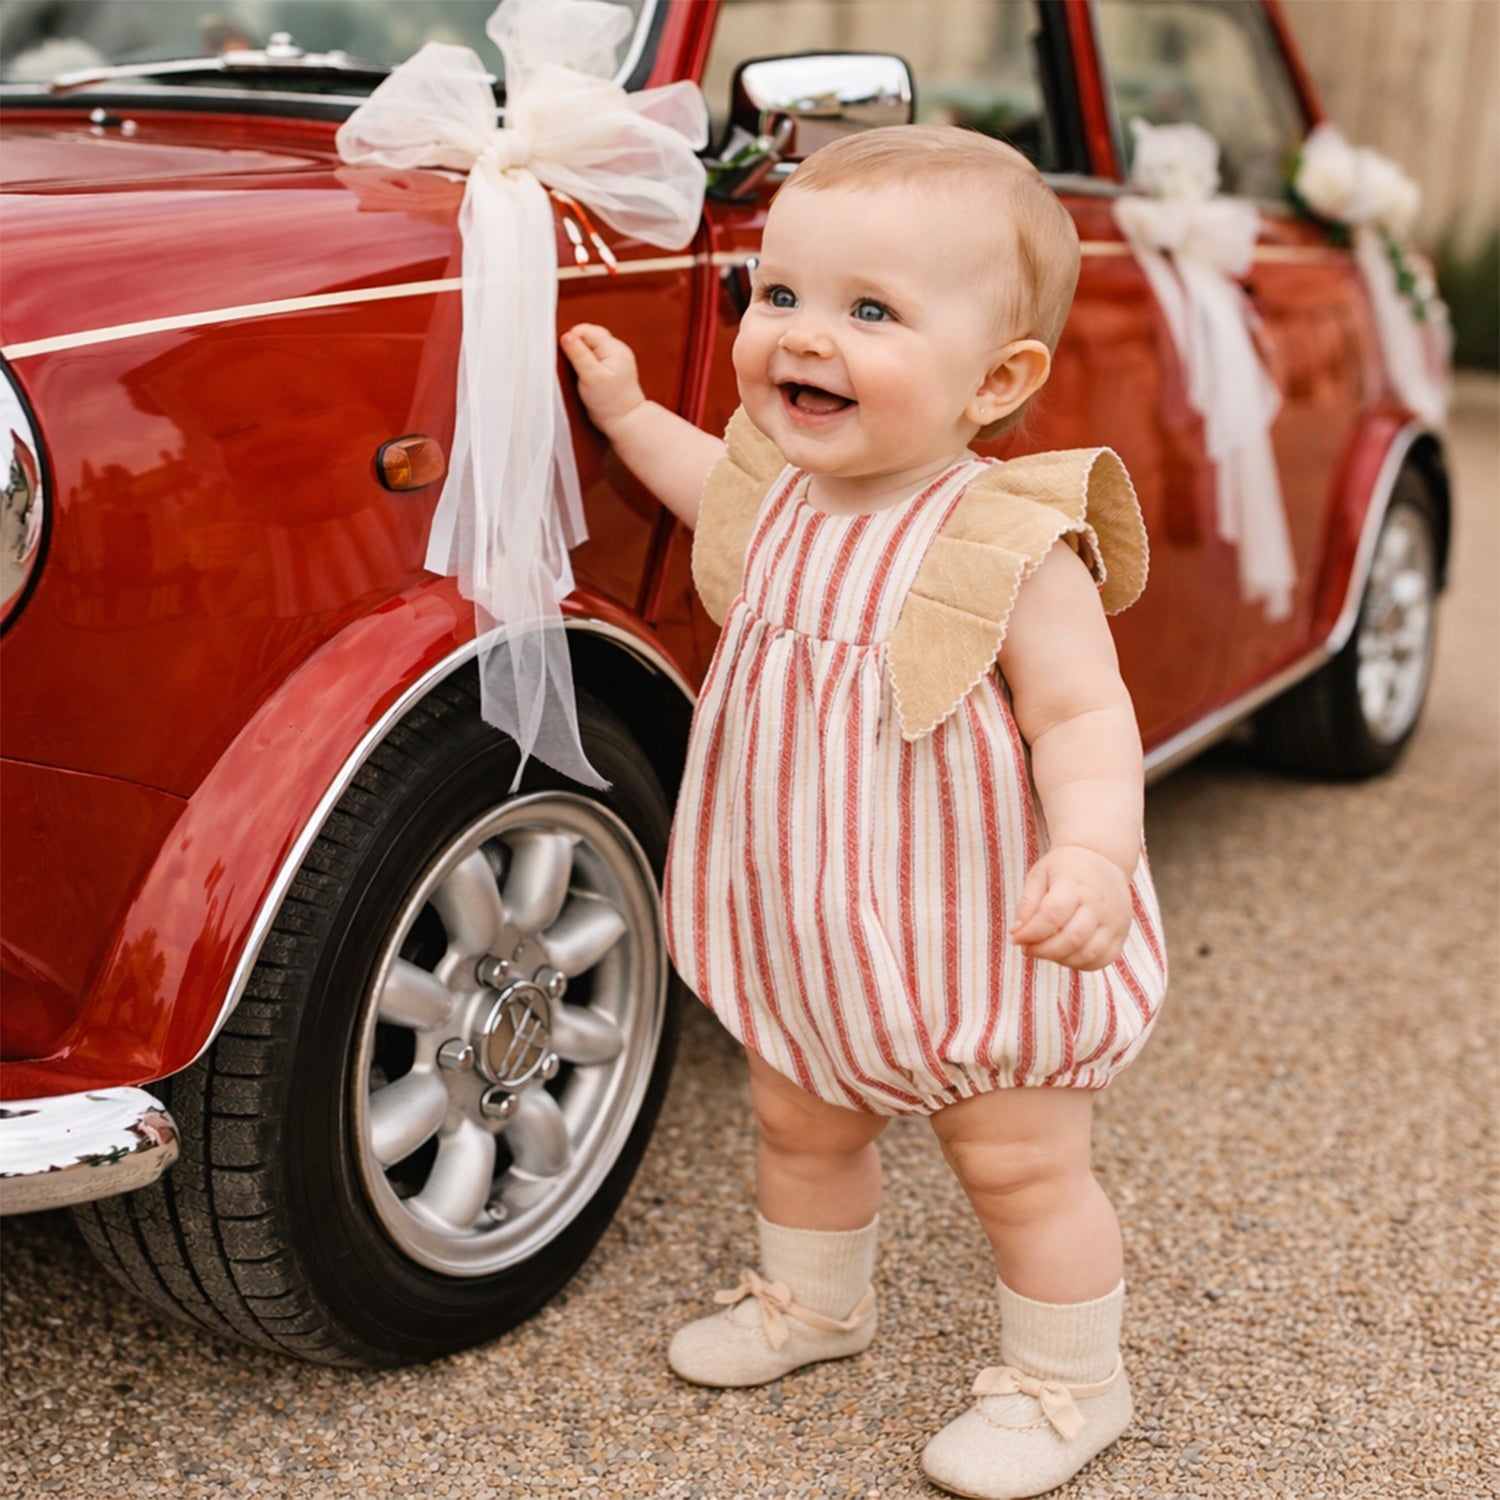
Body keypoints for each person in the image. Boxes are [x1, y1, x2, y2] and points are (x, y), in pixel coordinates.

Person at [560, 124, 1167, 1500]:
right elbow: (692, 472)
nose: (802, 337)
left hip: (969, 930)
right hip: (814, 921)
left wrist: (1093, 850)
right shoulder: (784, 493)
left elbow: (1083, 715)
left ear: (996, 380)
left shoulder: (1005, 535)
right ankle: (817, 1305)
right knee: (800, 1120)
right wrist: (617, 412)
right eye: (778, 297)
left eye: (871, 311)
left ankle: (1072, 1381)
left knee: (1018, 1167)